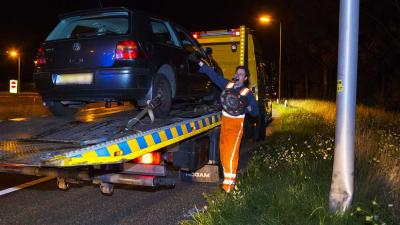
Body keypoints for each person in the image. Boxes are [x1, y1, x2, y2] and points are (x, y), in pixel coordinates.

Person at [190, 54, 259, 193]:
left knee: (231, 155)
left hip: (235, 126)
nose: (238, 75)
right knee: (223, 154)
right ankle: (226, 182)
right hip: (225, 123)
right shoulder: (228, 85)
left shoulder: (247, 93)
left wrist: (245, 106)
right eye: (237, 73)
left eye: (241, 74)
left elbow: (255, 112)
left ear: (245, 78)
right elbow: (214, 76)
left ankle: (229, 187)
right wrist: (200, 63)